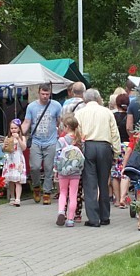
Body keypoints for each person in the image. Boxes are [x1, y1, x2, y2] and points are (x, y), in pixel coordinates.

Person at [74, 89, 121, 227]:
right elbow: (114, 132)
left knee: (90, 184)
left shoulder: (80, 113)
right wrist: (116, 151)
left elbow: (78, 133)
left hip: (88, 146)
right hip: (105, 147)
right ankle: (105, 216)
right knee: (104, 183)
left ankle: (93, 219)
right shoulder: (107, 112)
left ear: (85, 99)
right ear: (98, 98)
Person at [22, 83, 62, 205]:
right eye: (43, 94)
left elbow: (60, 122)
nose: (45, 96)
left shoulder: (56, 105)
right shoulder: (32, 107)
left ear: (50, 94)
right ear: (38, 93)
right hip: (36, 141)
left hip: (51, 141)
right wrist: (19, 132)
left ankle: (47, 192)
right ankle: (36, 187)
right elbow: (27, 122)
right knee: (34, 167)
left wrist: (62, 137)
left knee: (49, 168)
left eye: (47, 94)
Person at [54, 115, 83, 227]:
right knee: (73, 195)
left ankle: (61, 211)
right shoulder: (79, 140)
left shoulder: (61, 140)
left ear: (66, 127)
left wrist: (56, 169)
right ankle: (70, 219)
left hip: (63, 171)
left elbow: (57, 156)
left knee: (63, 192)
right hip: (75, 172)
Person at [111, 93, 131, 208]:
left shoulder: (112, 116)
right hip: (127, 146)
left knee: (115, 174)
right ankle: (124, 196)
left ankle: (117, 199)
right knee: (125, 172)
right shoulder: (129, 116)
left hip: (116, 146)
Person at [2, 119, 27, 206]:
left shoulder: (22, 137)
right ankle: (12, 197)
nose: (13, 130)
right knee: (11, 180)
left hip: (18, 160)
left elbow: (24, 148)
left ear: (19, 128)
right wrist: (4, 146)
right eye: (12, 128)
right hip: (10, 160)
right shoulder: (8, 138)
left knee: (18, 180)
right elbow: (4, 150)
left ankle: (18, 198)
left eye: (15, 128)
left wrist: (18, 139)